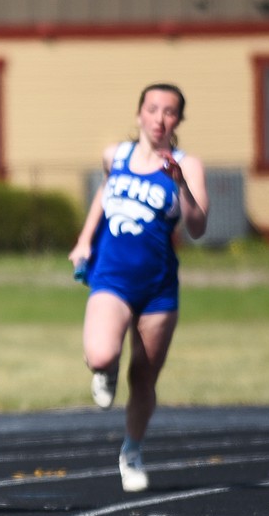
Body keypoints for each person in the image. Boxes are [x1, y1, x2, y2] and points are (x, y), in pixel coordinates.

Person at [68, 83, 209, 493]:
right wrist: (83, 238)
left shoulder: (187, 164)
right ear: (139, 115)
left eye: (169, 112)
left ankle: (131, 452)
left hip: (158, 288)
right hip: (111, 276)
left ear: (178, 120)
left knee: (144, 378)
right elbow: (104, 192)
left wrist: (180, 183)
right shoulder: (117, 155)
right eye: (153, 109)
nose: (160, 119)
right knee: (100, 353)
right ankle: (104, 369)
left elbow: (197, 228)